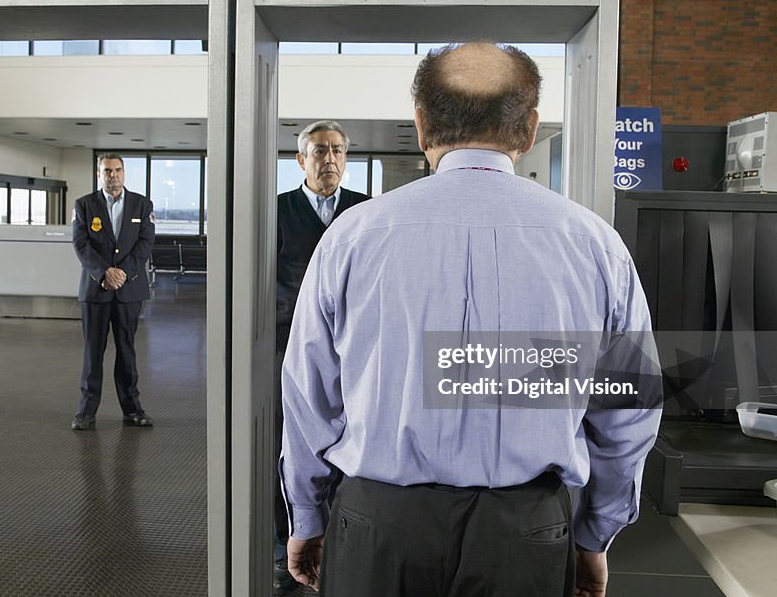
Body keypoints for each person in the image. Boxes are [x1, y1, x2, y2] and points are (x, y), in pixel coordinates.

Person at [280, 43, 662, 597]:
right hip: (528, 533)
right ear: (529, 129)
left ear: (421, 126)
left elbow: (309, 399)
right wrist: (593, 534)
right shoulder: (596, 244)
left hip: (377, 529)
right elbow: (628, 412)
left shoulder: (352, 236)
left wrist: (308, 518)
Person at [274, 120, 369, 593]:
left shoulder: (366, 211)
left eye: (336, 150)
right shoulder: (278, 211)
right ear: (301, 160)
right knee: (293, 445)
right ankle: (288, 540)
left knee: (349, 443)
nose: (328, 159)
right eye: (319, 151)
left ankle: (339, 539)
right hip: (290, 345)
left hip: (355, 351)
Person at [70, 153, 157, 431]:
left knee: (127, 351)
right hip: (96, 291)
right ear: (99, 174)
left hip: (129, 290)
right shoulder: (84, 205)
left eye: (118, 170)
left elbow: (145, 244)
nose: (113, 175)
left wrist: (122, 273)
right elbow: (81, 244)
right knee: (93, 352)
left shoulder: (142, 205)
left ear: (124, 172)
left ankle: (132, 409)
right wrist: (104, 272)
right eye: (107, 171)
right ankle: (86, 412)